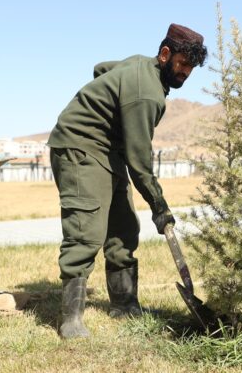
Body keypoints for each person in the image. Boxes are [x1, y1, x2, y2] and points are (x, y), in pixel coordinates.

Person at [48, 23, 207, 339]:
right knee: (87, 229)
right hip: (80, 144)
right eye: (183, 63)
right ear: (165, 54)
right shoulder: (146, 93)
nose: (186, 72)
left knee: (122, 227)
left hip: (109, 149)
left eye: (191, 67)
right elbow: (139, 160)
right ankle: (71, 319)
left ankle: (124, 304)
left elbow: (101, 70)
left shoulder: (142, 66)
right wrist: (160, 206)